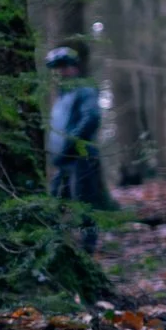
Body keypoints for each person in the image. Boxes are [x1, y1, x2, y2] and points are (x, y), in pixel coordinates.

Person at [45, 45, 114, 248]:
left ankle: (88, 246)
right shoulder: (62, 96)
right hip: (64, 160)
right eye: (57, 68)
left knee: (83, 204)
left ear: (74, 67)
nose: (61, 72)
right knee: (55, 201)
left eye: (64, 66)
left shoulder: (84, 91)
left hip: (81, 157)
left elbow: (91, 118)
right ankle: (57, 243)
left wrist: (70, 142)